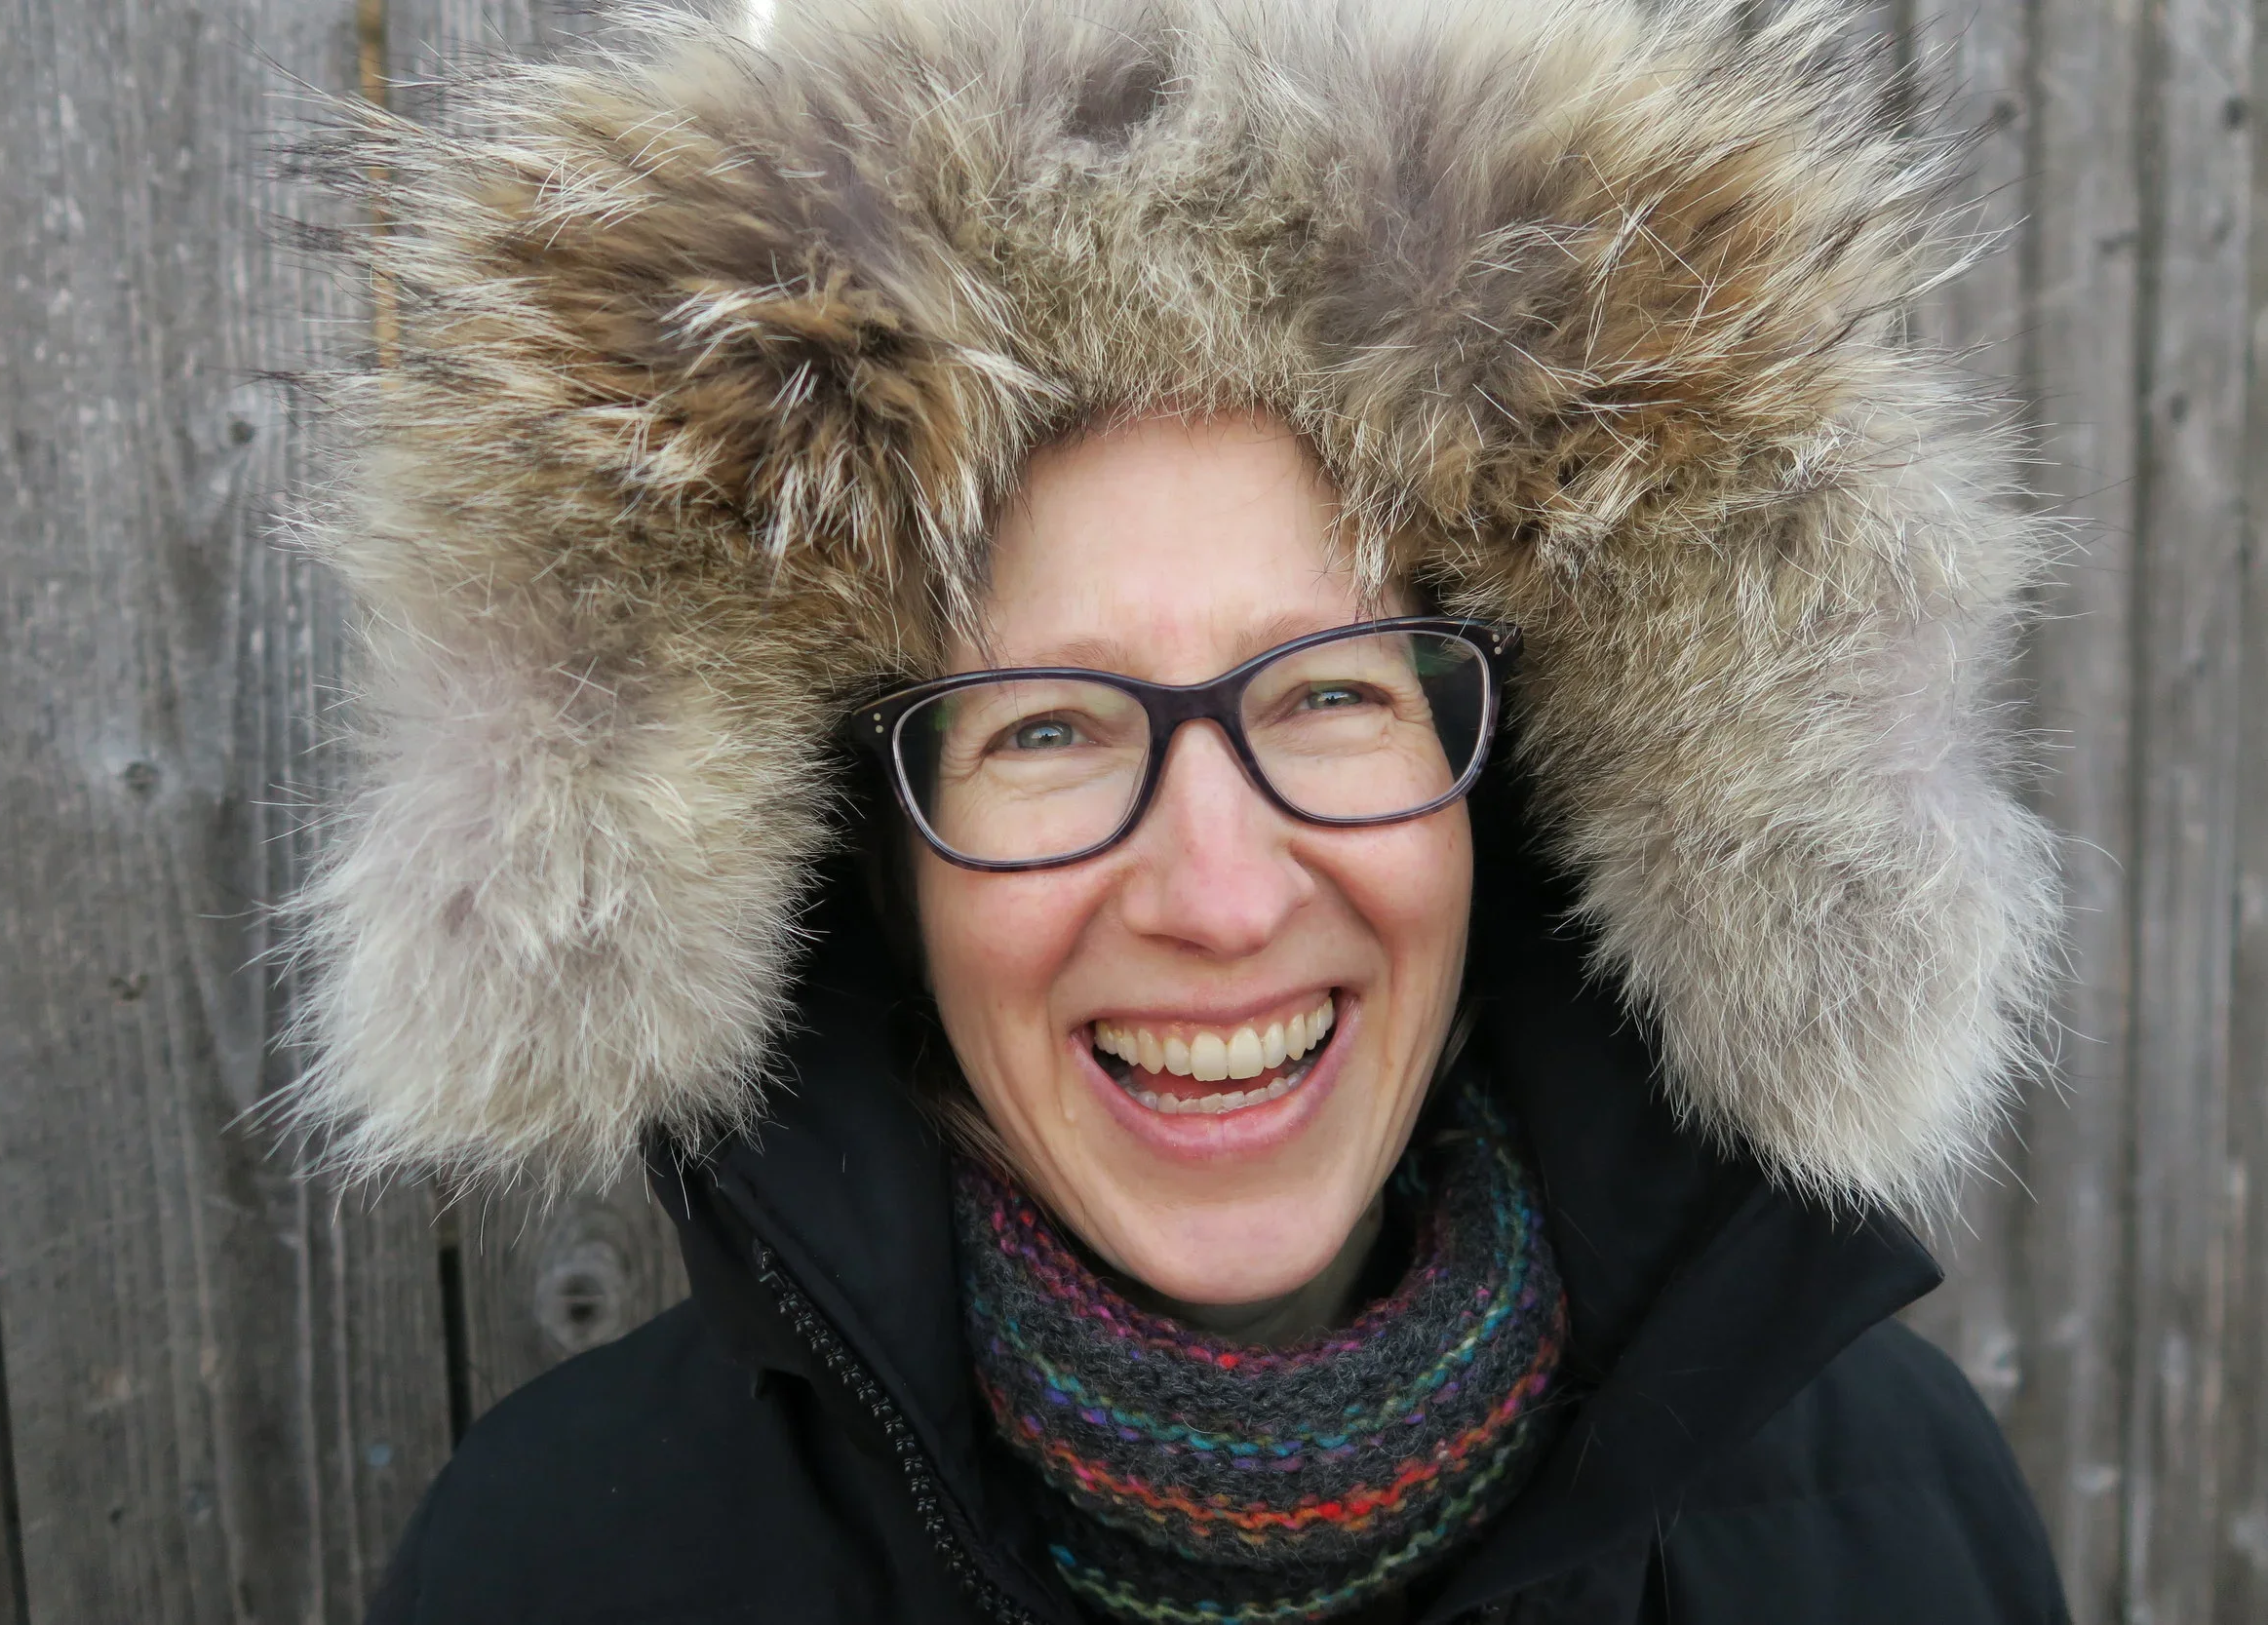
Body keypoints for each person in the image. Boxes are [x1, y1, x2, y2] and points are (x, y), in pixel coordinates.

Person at [291, 1, 2070, 1618]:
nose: (1218, 895)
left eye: (1333, 694)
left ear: (1522, 786)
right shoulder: (566, 1570)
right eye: (1049, 729)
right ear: (874, 865)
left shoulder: (1896, 1512)